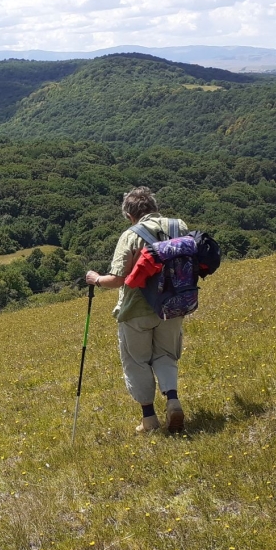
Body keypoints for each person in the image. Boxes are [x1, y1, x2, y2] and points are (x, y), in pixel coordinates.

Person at [85, 186, 187, 435]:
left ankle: (149, 419)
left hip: (136, 310)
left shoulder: (131, 235)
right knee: (165, 355)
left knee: (137, 361)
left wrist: (95, 279)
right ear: (154, 206)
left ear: (130, 215)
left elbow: (118, 279)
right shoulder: (179, 226)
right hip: (172, 305)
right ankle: (173, 401)